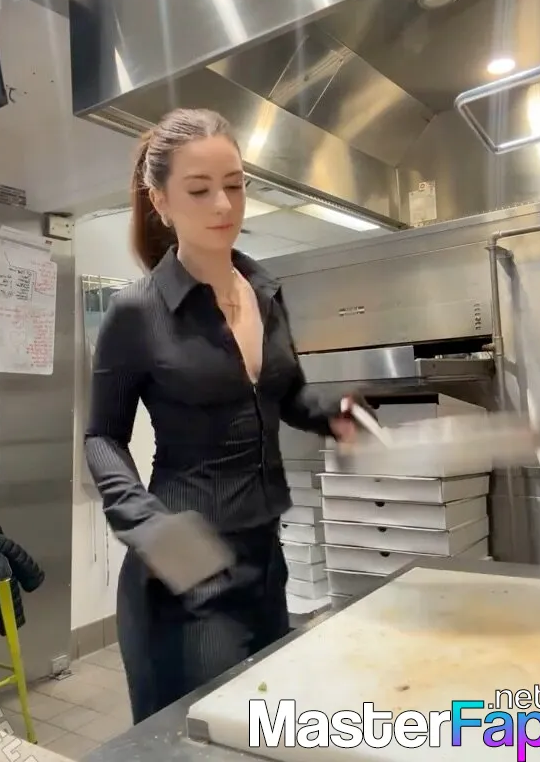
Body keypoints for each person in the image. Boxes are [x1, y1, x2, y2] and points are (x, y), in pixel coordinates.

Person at [84, 107, 366, 725]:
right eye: (199, 189)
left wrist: (335, 413)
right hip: (187, 573)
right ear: (161, 201)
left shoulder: (265, 293)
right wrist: (145, 524)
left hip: (267, 559)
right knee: (202, 742)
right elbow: (102, 436)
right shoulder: (137, 312)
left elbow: (285, 395)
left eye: (235, 185)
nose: (223, 205)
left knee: (263, 728)